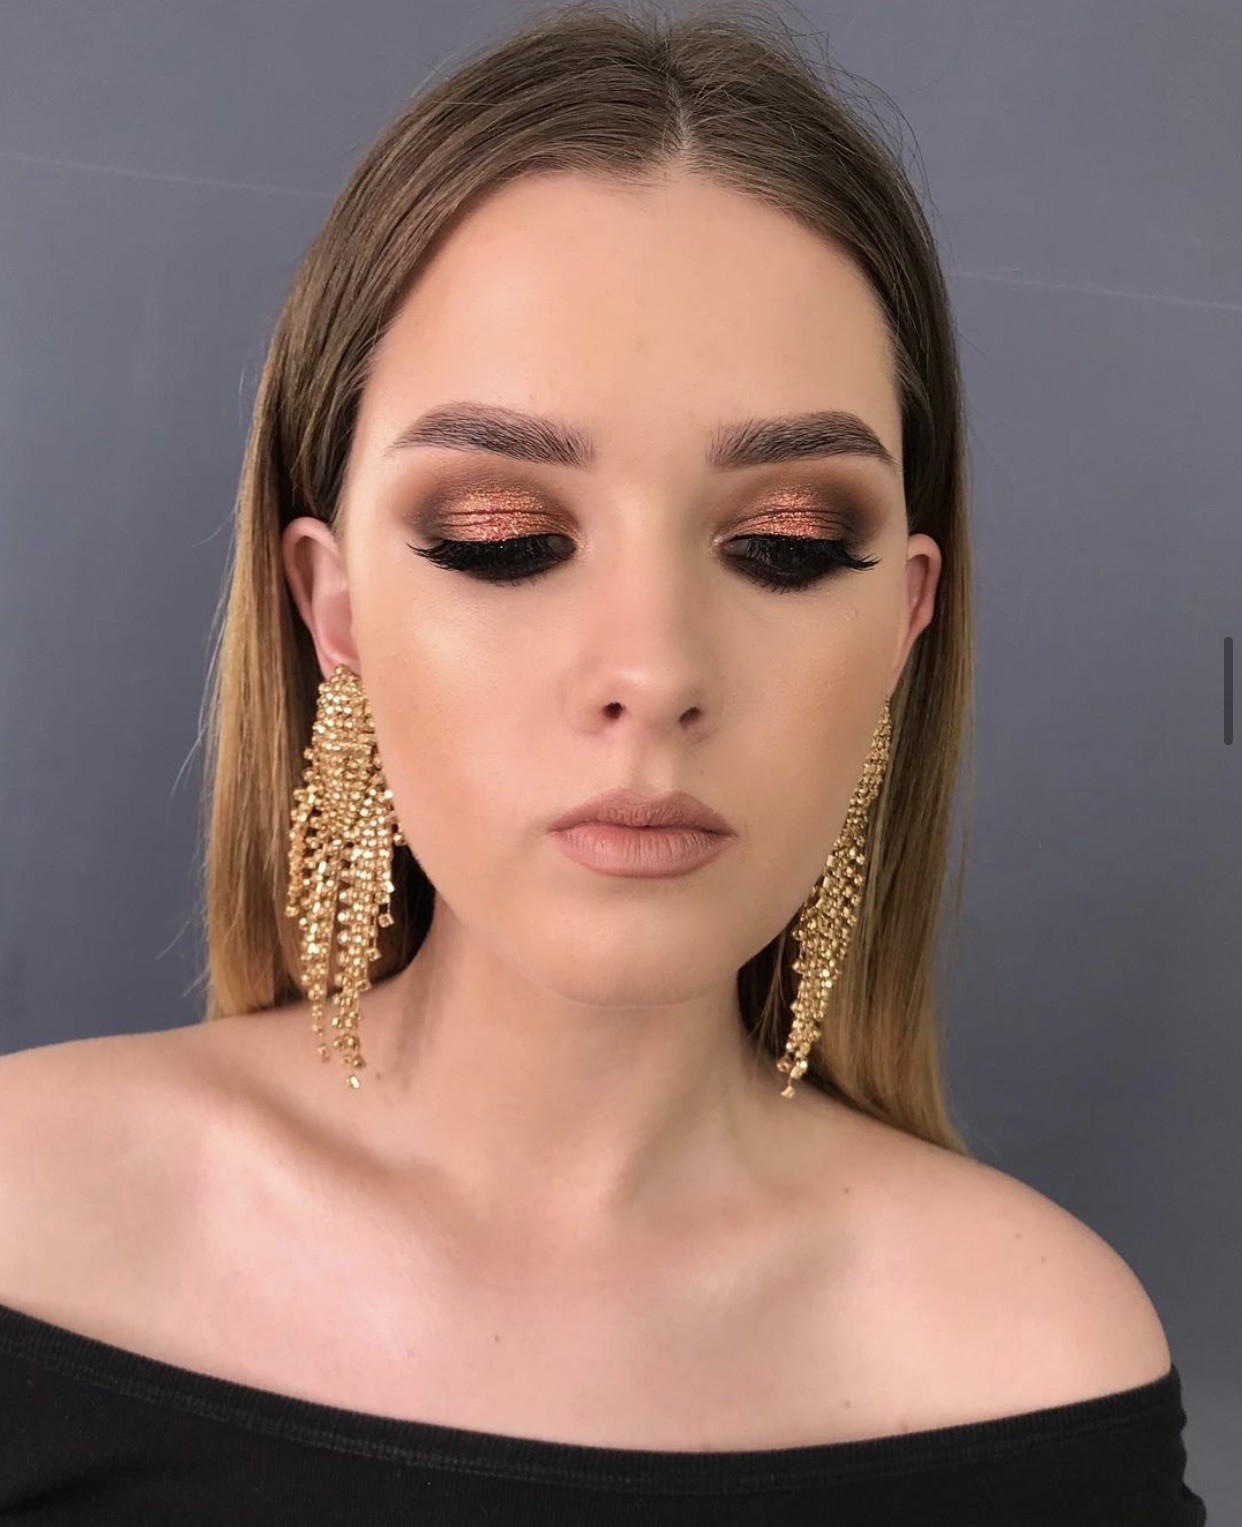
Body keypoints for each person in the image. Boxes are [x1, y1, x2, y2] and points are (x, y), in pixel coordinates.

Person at [0, 3, 1207, 1521]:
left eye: (785, 543)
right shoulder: (29, 1221)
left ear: (904, 622)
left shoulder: (1032, 1366)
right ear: (333, 604)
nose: (653, 669)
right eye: (501, 536)